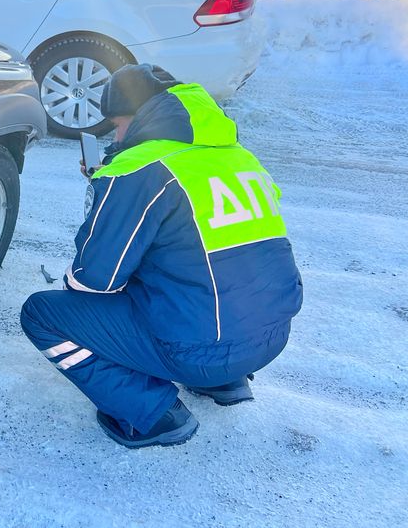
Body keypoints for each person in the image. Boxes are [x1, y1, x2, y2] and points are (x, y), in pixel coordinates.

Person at [20, 64, 303, 448]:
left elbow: (93, 281)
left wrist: (111, 196)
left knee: (43, 314)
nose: (116, 136)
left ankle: (154, 416)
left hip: (201, 349)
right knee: (194, 268)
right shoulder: (239, 160)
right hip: (270, 338)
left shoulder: (141, 169)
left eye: (118, 125)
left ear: (139, 117)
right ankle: (225, 382)